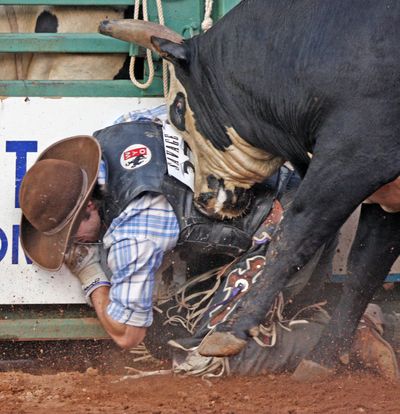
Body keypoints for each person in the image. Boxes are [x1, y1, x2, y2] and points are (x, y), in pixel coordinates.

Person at [18, 107, 400, 379]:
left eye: (71, 236)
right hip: (297, 181)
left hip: (295, 228)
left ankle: (342, 336)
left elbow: (126, 332)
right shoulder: (122, 130)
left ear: (88, 207)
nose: (74, 245)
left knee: (198, 357)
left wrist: (90, 273)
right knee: (178, 315)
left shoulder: (134, 232)